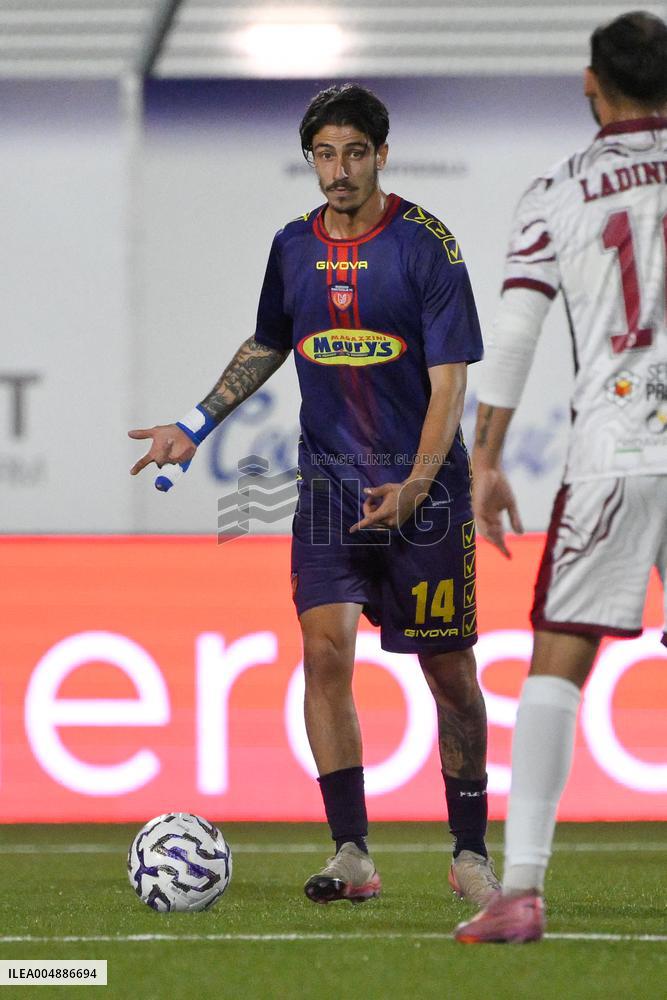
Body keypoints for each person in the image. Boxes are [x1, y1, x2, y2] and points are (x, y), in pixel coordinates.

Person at [129, 84, 500, 908]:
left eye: (354, 153)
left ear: (381, 154)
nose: (339, 170)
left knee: (449, 674)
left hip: (423, 495)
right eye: (324, 155)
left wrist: (415, 485)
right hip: (330, 491)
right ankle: (351, 851)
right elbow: (270, 340)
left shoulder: (426, 246)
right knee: (325, 654)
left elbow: (449, 384)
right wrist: (195, 424)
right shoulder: (292, 247)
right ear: (311, 160)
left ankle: (469, 853)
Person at [455, 11, 667, 944]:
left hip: (616, 448)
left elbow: (513, 335)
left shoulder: (559, 191)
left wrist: (486, 457)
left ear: (591, 83)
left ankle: (521, 892)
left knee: (561, 652)